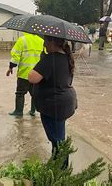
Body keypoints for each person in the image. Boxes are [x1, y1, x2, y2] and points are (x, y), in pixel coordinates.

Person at [28, 36, 77, 168]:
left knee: (57, 140)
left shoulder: (51, 59)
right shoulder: (66, 57)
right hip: (63, 103)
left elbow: (32, 78)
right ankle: (59, 165)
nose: (44, 44)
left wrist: (42, 61)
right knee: (58, 138)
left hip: (54, 105)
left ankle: (60, 170)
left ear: (53, 42)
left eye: (46, 41)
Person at [6, 33, 44, 117]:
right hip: (36, 74)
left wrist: (10, 67)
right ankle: (33, 111)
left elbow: (15, 56)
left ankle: (18, 111)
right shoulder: (41, 41)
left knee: (20, 93)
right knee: (34, 93)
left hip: (24, 73)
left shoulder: (22, 40)